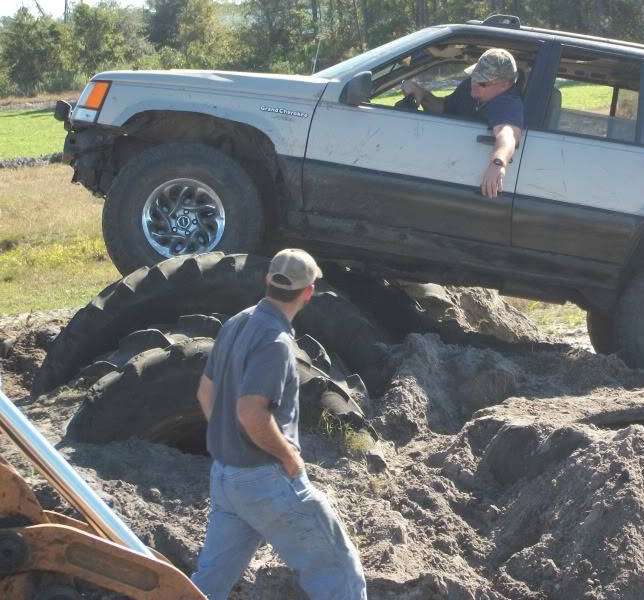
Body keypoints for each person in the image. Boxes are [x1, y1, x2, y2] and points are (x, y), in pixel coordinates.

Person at [190, 248, 367, 600]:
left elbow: (205, 393)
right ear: (308, 292)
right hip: (265, 480)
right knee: (339, 571)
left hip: (226, 478)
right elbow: (252, 413)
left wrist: (231, 443)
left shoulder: (236, 323)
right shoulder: (276, 343)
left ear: (267, 280)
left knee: (208, 584)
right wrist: (287, 457)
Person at [400, 47, 524, 199]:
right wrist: (421, 93)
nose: (474, 85)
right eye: (474, 77)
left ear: (505, 85)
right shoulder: (469, 87)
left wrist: (498, 164)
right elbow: (443, 108)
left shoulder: (508, 103)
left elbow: (508, 134)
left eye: (482, 82)